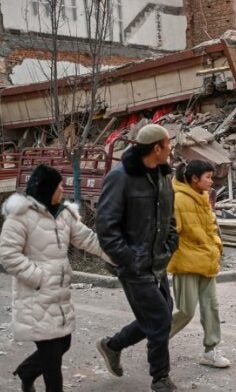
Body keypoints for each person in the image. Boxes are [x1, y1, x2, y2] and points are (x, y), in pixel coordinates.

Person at [0, 164, 108, 392]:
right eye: (59, 186)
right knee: (51, 360)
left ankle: (27, 371)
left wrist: (118, 256)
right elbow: (8, 255)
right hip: (35, 293)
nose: (63, 191)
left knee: (63, 344)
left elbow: (87, 239)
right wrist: (39, 277)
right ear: (47, 189)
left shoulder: (64, 214)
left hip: (59, 294)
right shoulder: (20, 217)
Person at [95, 124, 179, 392]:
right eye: (168, 145)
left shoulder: (163, 175)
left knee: (162, 314)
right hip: (134, 265)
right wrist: (129, 257)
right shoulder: (120, 177)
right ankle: (160, 378)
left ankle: (112, 345)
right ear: (156, 148)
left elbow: (169, 215)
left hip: (158, 261)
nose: (171, 149)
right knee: (159, 321)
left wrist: (170, 242)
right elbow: (106, 227)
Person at [168, 160, 230, 368]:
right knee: (186, 311)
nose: (211, 181)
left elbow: (211, 226)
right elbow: (170, 233)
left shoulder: (203, 196)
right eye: (208, 177)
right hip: (186, 263)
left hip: (207, 260)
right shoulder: (178, 200)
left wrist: (217, 246)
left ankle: (211, 350)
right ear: (194, 179)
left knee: (211, 307)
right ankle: (158, 340)